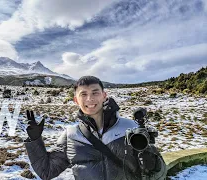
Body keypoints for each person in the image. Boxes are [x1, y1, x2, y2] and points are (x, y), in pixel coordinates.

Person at [24, 76, 167, 180]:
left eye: (95, 92)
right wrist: (35, 140)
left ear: (104, 95)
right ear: (75, 100)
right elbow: (46, 171)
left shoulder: (130, 128)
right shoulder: (71, 135)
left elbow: (160, 173)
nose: (90, 99)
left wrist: (155, 165)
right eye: (83, 94)